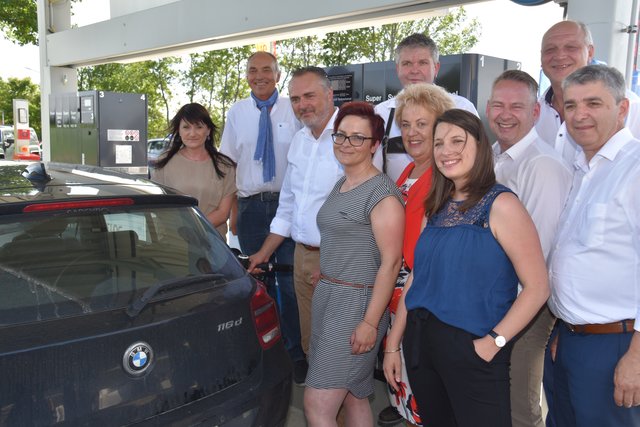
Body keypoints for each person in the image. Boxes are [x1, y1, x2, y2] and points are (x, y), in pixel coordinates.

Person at [383, 109, 550, 427]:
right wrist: (393, 346)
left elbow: (538, 287)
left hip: (473, 347)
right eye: (439, 143)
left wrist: (494, 342)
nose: (447, 151)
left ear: (481, 145)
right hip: (421, 344)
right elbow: (417, 277)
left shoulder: (502, 205)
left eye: (458, 141)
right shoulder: (435, 207)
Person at [547, 64, 640, 427]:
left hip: (617, 345)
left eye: (593, 103)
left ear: (621, 109)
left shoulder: (634, 169)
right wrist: (565, 329)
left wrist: (636, 357)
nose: (579, 115)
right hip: (571, 340)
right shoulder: (583, 169)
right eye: (570, 105)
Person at [304, 101, 404, 426]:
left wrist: (370, 323)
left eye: (357, 138)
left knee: (318, 404)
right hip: (330, 297)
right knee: (354, 396)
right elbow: (347, 239)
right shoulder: (343, 182)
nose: (346, 144)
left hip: (356, 307)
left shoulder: (382, 194)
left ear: (375, 145)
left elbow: (391, 263)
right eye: (341, 135)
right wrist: (329, 270)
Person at [487, 69, 572, 427]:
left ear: (536, 112)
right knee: (494, 399)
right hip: (494, 299)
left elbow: (537, 250)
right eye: (498, 105)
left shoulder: (542, 165)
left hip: (524, 305)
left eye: (517, 106)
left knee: (519, 405)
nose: (505, 114)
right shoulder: (491, 155)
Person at [248, 67, 343, 373]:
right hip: (301, 256)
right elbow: (288, 205)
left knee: (339, 355)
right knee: (311, 346)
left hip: (336, 262)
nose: (303, 104)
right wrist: (263, 253)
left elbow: (364, 212)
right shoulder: (300, 140)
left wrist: (333, 265)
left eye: (310, 96)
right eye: (296, 98)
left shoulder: (352, 135)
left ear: (329, 95)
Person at [219, 51, 306, 383]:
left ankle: (295, 354)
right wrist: (233, 214)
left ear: (278, 74)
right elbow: (228, 164)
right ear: (246, 76)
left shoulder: (293, 109)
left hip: (288, 205)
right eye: (253, 70)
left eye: (266, 69)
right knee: (257, 284)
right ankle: (262, 353)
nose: (260, 75)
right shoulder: (237, 113)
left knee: (290, 283)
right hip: (252, 208)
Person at [382, 82, 454, 426]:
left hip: (421, 306)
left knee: (426, 406)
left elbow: (424, 263)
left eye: (422, 124)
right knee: (410, 404)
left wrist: (393, 340)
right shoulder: (409, 171)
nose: (411, 133)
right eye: (406, 125)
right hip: (400, 305)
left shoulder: (444, 180)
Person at [374, 33, 478, 184]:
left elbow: (477, 162)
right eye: (407, 63)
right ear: (397, 69)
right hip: (395, 203)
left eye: (422, 63)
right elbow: (374, 170)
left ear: (436, 67)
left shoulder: (462, 108)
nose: (414, 70)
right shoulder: (381, 113)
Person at [537, 20, 640, 162]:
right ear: (541, 57)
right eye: (550, 49)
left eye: (571, 47)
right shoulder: (533, 112)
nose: (560, 55)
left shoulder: (630, 106)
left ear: (590, 52)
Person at [151, 102, 236, 237]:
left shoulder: (225, 166)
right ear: (179, 130)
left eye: (199, 127)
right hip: (173, 242)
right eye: (186, 127)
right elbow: (158, 207)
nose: (192, 133)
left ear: (208, 130)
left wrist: (193, 230)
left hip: (212, 243)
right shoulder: (164, 163)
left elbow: (223, 212)